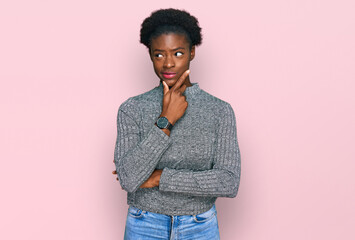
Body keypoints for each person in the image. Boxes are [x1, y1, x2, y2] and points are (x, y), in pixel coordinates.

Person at [112, 8, 241, 240]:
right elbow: (130, 178)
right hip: (144, 224)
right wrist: (166, 119)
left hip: (200, 225)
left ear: (192, 52)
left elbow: (228, 181)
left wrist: (159, 177)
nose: (168, 63)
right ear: (150, 55)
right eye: (159, 54)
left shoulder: (220, 111)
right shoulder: (131, 109)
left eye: (178, 53)